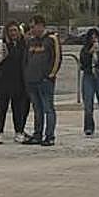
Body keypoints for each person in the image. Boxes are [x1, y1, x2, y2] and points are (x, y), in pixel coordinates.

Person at [23, 14, 61, 146]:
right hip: (32, 81)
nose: (32, 30)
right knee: (37, 110)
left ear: (40, 25)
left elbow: (57, 58)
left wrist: (50, 75)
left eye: (33, 27)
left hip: (45, 81)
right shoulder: (32, 41)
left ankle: (49, 136)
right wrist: (26, 76)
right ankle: (37, 134)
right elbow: (26, 60)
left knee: (48, 108)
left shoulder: (51, 39)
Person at [0, 21, 30, 144]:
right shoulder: (1, 44)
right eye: (11, 31)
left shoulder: (22, 44)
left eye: (15, 30)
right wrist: (3, 56)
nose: (13, 33)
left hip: (18, 81)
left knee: (18, 108)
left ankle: (19, 132)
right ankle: (0, 133)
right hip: (3, 81)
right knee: (1, 108)